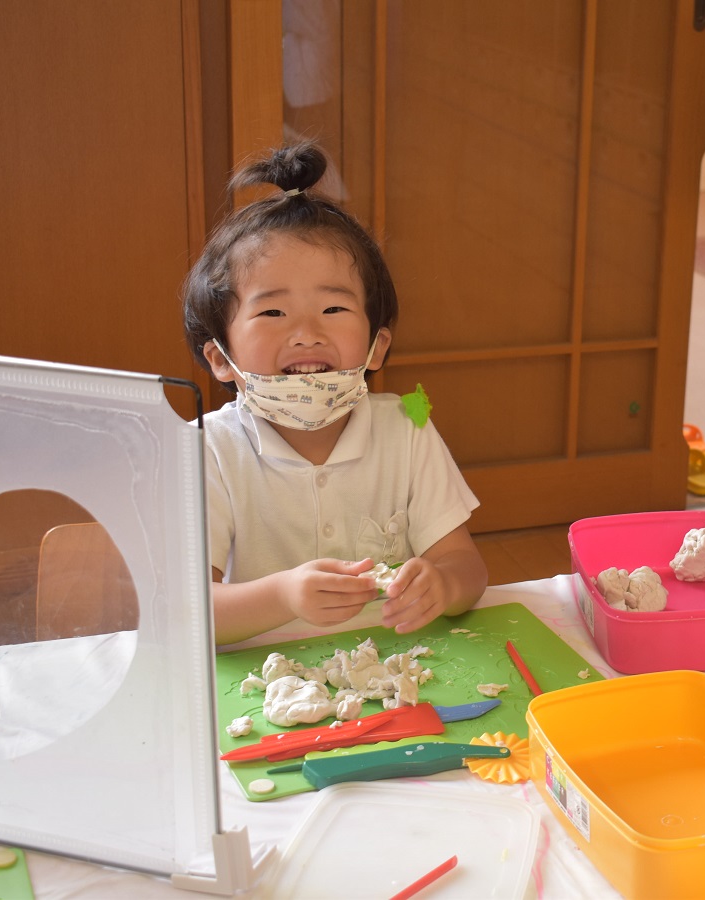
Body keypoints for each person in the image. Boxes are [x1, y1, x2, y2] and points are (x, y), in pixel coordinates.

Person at [183, 141, 487, 647]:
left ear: (376, 347)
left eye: (333, 310)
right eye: (273, 313)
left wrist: (443, 584)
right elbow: (190, 613)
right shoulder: (209, 449)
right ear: (219, 358)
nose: (306, 333)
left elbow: (467, 567)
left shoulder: (407, 427)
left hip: (397, 671)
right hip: (266, 690)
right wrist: (283, 596)